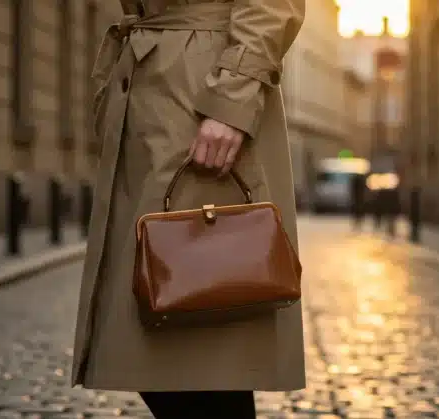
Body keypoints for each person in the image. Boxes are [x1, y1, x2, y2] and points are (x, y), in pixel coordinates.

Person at [71, 0, 306, 417]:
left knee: (198, 329)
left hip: (199, 98)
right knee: (157, 329)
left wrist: (231, 98)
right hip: (152, 92)